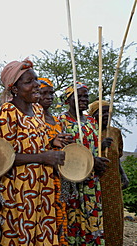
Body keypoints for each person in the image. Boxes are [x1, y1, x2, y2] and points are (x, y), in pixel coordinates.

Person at [0, 59, 68, 245]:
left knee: (42, 234)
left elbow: (36, 142)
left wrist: (53, 141)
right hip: (18, 190)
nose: (36, 85)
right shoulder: (7, 113)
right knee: (21, 236)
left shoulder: (37, 110)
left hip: (42, 188)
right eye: (29, 82)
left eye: (35, 79)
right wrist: (43, 157)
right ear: (14, 89)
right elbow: (3, 158)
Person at [58, 82, 109, 246]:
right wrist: (91, 162)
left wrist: (99, 163)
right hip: (71, 180)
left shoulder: (91, 122)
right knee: (73, 219)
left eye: (86, 96)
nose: (83, 99)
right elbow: (65, 153)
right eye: (78, 96)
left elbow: (94, 149)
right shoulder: (61, 121)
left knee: (91, 220)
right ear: (68, 99)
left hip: (91, 182)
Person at [88, 100, 129, 246]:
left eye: (108, 112)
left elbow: (117, 157)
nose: (106, 115)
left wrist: (123, 175)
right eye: (102, 112)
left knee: (114, 217)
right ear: (93, 115)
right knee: (98, 218)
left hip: (113, 183)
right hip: (95, 182)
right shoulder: (89, 132)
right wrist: (99, 145)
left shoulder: (115, 132)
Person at [38, 78, 70, 245]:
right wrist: (50, 142)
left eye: (51, 93)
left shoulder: (57, 120)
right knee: (45, 217)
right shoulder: (34, 119)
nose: (49, 96)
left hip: (59, 176)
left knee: (59, 217)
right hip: (43, 176)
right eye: (44, 93)